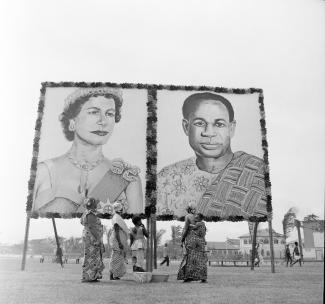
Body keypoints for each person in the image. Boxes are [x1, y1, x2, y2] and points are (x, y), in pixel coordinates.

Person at [32, 87, 143, 217]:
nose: (103, 121)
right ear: (72, 122)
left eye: (110, 114)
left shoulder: (128, 178)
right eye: (94, 112)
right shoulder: (42, 173)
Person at [157, 92, 267, 219]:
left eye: (219, 124)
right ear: (186, 127)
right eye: (199, 123)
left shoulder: (258, 172)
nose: (209, 133)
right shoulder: (166, 180)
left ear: (231, 128)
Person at [177, 211, 208, 283]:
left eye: (197, 217)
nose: (195, 217)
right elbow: (203, 233)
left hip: (193, 244)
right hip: (201, 244)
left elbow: (186, 229)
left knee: (191, 260)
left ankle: (189, 276)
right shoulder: (203, 224)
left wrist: (182, 240)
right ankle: (203, 277)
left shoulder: (189, 217)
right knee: (201, 260)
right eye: (195, 216)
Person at [80, 197, 105, 282]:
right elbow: (91, 227)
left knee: (92, 256)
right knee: (91, 256)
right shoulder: (90, 214)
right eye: (96, 203)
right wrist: (97, 238)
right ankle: (89, 276)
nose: (97, 205)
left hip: (89, 236)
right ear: (93, 204)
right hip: (92, 237)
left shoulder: (86, 213)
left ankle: (92, 276)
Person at [109, 202, 129, 280]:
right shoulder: (117, 218)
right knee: (115, 257)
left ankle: (116, 274)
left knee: (119, 258)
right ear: (120, 209)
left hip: (118, 240)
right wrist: (120, 243)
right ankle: (112, 274)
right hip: (117, 241)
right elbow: (117, 231)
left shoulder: (117, 217)